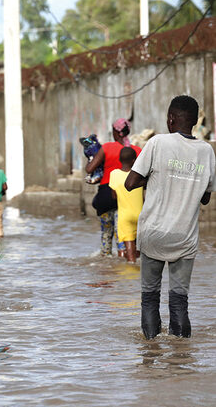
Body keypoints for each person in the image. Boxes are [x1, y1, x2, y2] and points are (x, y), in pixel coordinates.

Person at [125, 95, 215, 339]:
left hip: (154, 232)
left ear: (171, 118)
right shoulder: (207, 151)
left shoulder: (158, 143)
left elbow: (130, 183)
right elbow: (205, 198)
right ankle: (180, 357)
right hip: (184, 236)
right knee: (179, 301)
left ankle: (151, 352)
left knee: (150, 296)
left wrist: (157, 177)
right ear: (195, 121)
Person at [86, 118, 142, 257]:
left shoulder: (107, 148)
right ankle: (124, 267)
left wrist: (92, 159)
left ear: (116, 133)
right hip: (128, 200)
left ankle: (106, 265)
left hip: (106, 196)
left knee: (106, 232)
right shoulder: (136, 151)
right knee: (122, 235)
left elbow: (89, 169)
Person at [108, 147, 143, 263]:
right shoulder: (139, 175)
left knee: (129, 246)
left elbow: (113, 196)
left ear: (119, 159)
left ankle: (130, 272)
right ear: (134, 160)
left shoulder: (114, 174)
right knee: (140, 247)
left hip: (125, 216)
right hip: (141, 215)